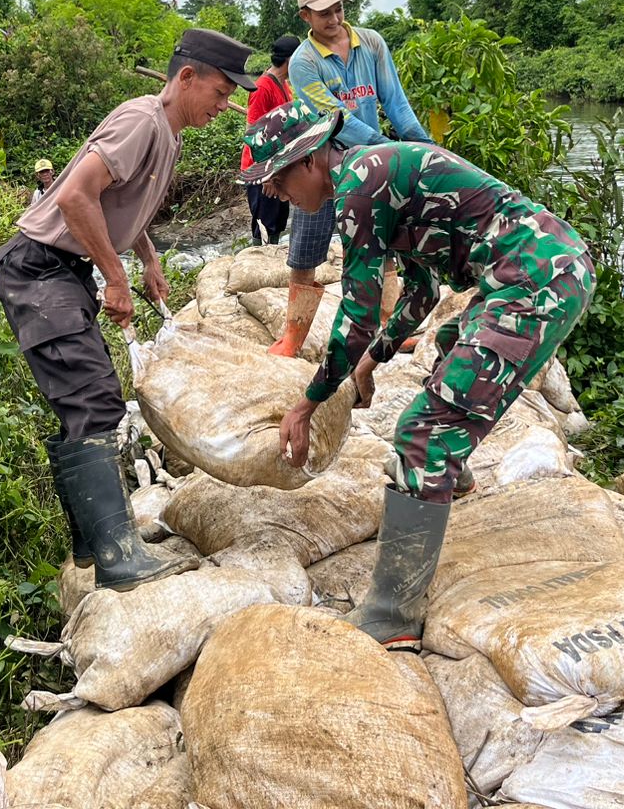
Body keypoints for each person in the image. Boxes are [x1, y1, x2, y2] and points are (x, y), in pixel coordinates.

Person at [240, 102, 595, 648]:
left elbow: (357, 313)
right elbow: (422, 291)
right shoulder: (375, 175)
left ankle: (392, 615)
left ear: (310, 160)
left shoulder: (359, 185)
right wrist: (373, 359)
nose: (279, 197)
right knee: (454, 349)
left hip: (535, 280)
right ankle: (451, 476)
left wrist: (308, 402)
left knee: (422, 434)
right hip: (527, 273)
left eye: (280, 182)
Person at [0, 28, 255, 591]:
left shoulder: (169, 133)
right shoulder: (142, 121)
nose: (225, 105)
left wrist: (148, 256)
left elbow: (119, 202)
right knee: (95, 398)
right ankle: (118, 558)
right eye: (220, 91)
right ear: (186, 78)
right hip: (39, 269)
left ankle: (93, 543)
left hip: (60, 271)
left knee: (82, 402)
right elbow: (73, 197)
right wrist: (115, 276)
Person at [269, 0, 432, 358]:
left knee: (384, 247)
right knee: (306, 251)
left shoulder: (371, 42)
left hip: (370, 165)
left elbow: (396, 103)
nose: (335, 18)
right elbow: (336, 118)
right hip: (319, 166)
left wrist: (423, 146)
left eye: (339, 8)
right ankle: (293, 338)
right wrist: (387, 148)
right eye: (324, 12)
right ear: (305, 15)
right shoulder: (304, 63)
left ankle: (394, 330)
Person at [241, 34, 300, 245]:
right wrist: (265, 175)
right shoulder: (262, 88)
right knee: (264, 225)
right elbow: (253, 133)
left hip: (277, 167)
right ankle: (258, 270)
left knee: (278, 221)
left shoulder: (283, 85)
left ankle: (272, 269)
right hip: (262, 170)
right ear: (290, 60)